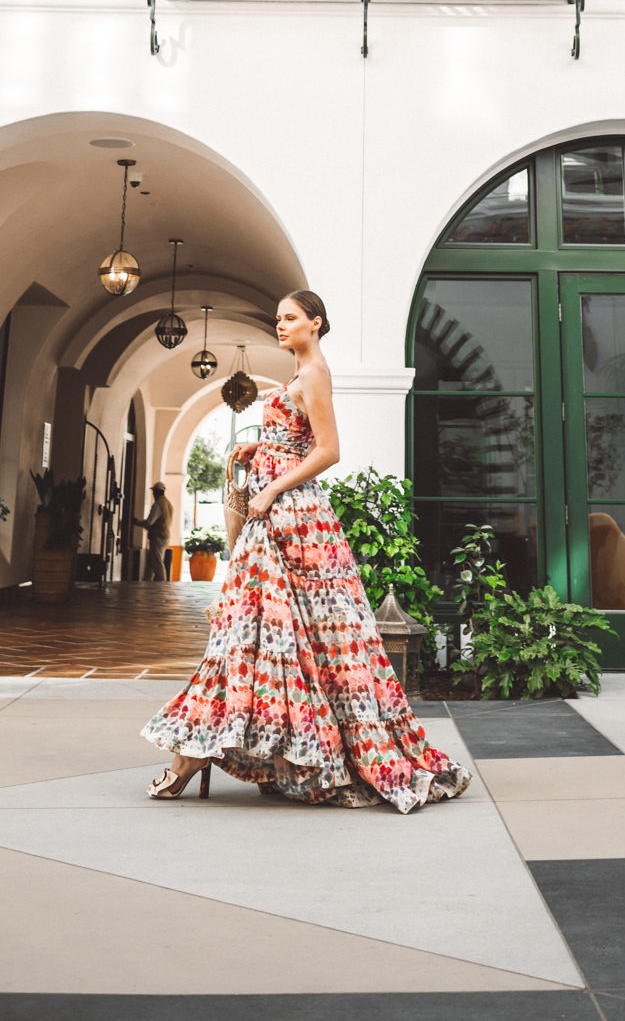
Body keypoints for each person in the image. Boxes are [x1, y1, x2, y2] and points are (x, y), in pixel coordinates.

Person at [142, 291, 470, 813]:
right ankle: (214, 749)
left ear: (315, 323)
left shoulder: (315, 373)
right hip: (274, 520)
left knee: (287, 637)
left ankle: (203, 755)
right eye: (278, 318)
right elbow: (298, 439)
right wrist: (261, 449)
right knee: (255, 633)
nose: (281, 325)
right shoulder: (298, 374)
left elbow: (329, 450)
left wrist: (272, 487)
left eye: (290, 318)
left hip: (295, 521)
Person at [134, 482, 173, 582]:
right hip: (165, 536)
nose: (153, 494)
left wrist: (136, 522)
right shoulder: (168, 504)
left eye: (153, 492)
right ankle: (147, 581)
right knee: (152, 562)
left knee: (157, 563)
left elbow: (149, 522)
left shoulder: (158, 505)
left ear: (156, 492)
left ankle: (162, 584)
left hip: (158, 536)